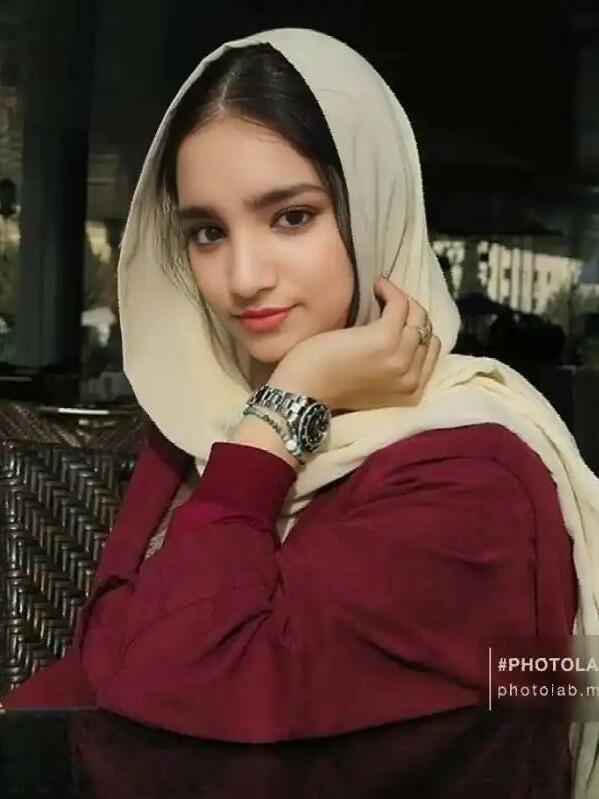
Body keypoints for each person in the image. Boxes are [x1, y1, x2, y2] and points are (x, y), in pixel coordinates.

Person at [1, 26, 598, 796]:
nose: (243, 277)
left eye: (291, 216)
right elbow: (101, 665)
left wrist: (290, 404)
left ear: (370, 206)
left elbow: (172, 737)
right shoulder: (200, 431)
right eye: (207, 232)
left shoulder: (472, 481)